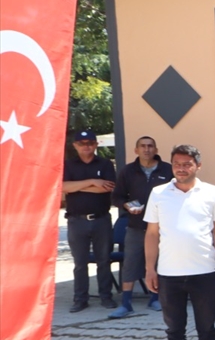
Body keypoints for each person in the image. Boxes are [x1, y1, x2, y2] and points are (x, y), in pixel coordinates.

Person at [145, 144, 215, 340]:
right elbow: (152, 234)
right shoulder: (159, 193)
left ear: (198, 166)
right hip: (169, 273)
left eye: (187, 164)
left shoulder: (211, 193)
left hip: (204, 271)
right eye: (177, 164)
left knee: (207, 328)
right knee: (174, 330)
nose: (181, 169)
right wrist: (150, 269)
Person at [110, 135, 173, 317]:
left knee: (159, 263)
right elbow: (117, 196)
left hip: (162, 227)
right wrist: (127, 205)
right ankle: (126, 303)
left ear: (156, 150)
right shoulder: (127, 171)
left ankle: (155, 298)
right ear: (136, 150)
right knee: (130, 262)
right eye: (143, 146)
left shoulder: (167, 170)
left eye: (150, 146)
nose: (147, 149)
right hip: (135, 225)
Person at [63, 129, 117, 312]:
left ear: (96, 144)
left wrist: (76, 187)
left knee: (104, 261)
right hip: (76, 221)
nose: (86, 146)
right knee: (80, 263)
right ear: (75, 145)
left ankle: (106, 297)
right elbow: (62, 186)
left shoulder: (105, 164)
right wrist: (93, 181)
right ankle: (80, 299)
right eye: (82, 143)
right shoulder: (68, 165)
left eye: (90, 143)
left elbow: (107, 188)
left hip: (101, 220)